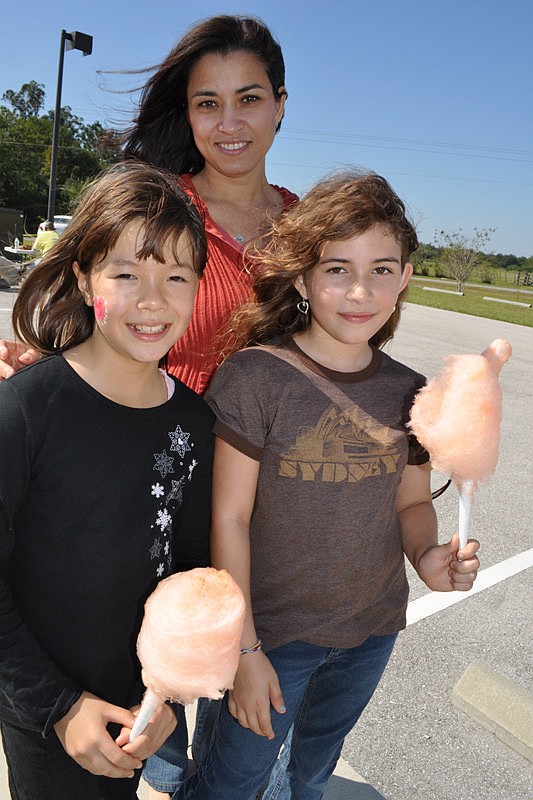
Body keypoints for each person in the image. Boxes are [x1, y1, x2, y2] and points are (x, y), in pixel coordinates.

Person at [170, 170, 481, 800]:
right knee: (231, 781)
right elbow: (227, 519)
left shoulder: (411, 391)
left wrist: (428, 558)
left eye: (382, 269)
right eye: (337, 268)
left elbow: (412, 499)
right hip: (272, 637)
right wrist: (244, 649)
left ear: (406, 277)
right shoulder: (258, 376)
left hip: (370, 631)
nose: (360, 291)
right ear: (303, 279)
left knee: (308, 773)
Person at [0, 161, 215, 800]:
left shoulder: (195, 423)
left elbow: (188, 573)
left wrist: (166, 695)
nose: (153, 300)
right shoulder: (27, 411)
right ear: (83, 275)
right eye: (125, 274)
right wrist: (61, 707)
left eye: (176, 277)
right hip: (44, 713)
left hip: (138, 709)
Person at [0, 15, 297, 394]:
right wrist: (27, 364)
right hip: (166, 450)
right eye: (208, 103)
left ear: (279, 105)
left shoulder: (317, 230)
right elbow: (84, 334)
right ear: (188, 112)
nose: (229, 123)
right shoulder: (150, 211)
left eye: (249, 98)